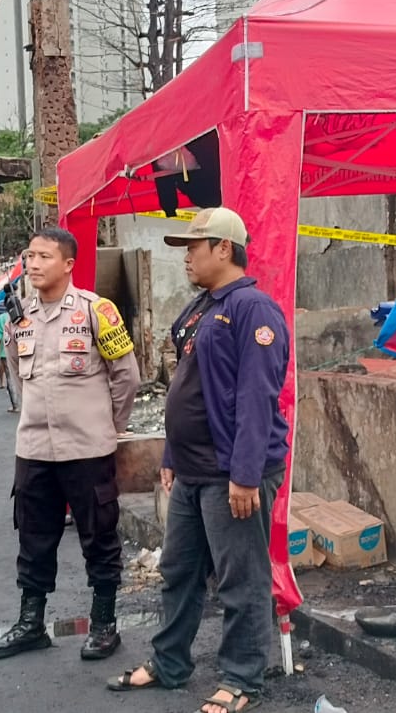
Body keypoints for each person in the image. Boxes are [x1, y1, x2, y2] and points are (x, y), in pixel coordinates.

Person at [106, 207, 291, 713]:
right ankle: (170, 662)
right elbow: (188, 385)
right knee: (179, 571)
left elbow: (257, 398)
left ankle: (242, 677)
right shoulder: (201, 308)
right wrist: (172, 452)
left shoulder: (254, 310)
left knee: (240, 579)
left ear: (224, 249)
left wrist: (245, 476)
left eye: (193, 247)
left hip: (230, 473)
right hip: (191, 469)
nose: (186, 257)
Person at [0, 227, 140, 662]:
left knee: (99, 537)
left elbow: (127, 378)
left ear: (68, 264)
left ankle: (104, 625)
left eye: (44, 257)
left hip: (87, 451)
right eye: (29, 256)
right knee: (33, 538)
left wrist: (108, 427)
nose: (33, 264)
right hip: (34, 451)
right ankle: (30, 624)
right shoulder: (19, 319)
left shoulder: (96, 311)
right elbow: (18, 375)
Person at [0, 308, 19, 412]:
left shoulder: (2, 318)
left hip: (6, 352)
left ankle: (15, 406)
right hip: (22, 351)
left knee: (10, 378)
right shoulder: (21, 314)